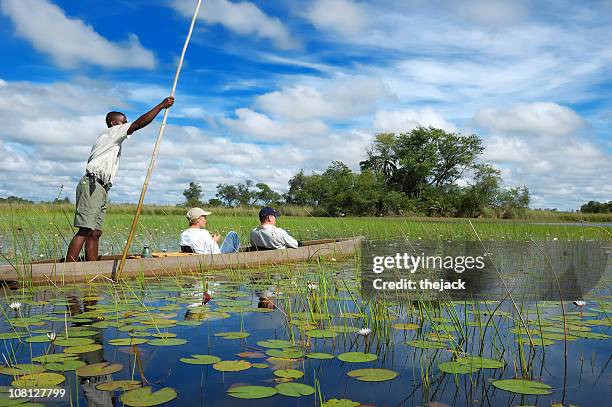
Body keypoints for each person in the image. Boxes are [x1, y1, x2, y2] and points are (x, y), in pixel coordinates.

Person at [65, 97, 175, 262]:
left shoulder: (114, 140)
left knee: (95, 232)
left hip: (101, 187)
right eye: (123, 122)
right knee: (85, 229)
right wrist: (161, 106)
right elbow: (138, 124)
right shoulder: (110, 132)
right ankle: (68, 268)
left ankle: (92, 267)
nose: (126, 125)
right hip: (92, 185)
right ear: (114, 124)